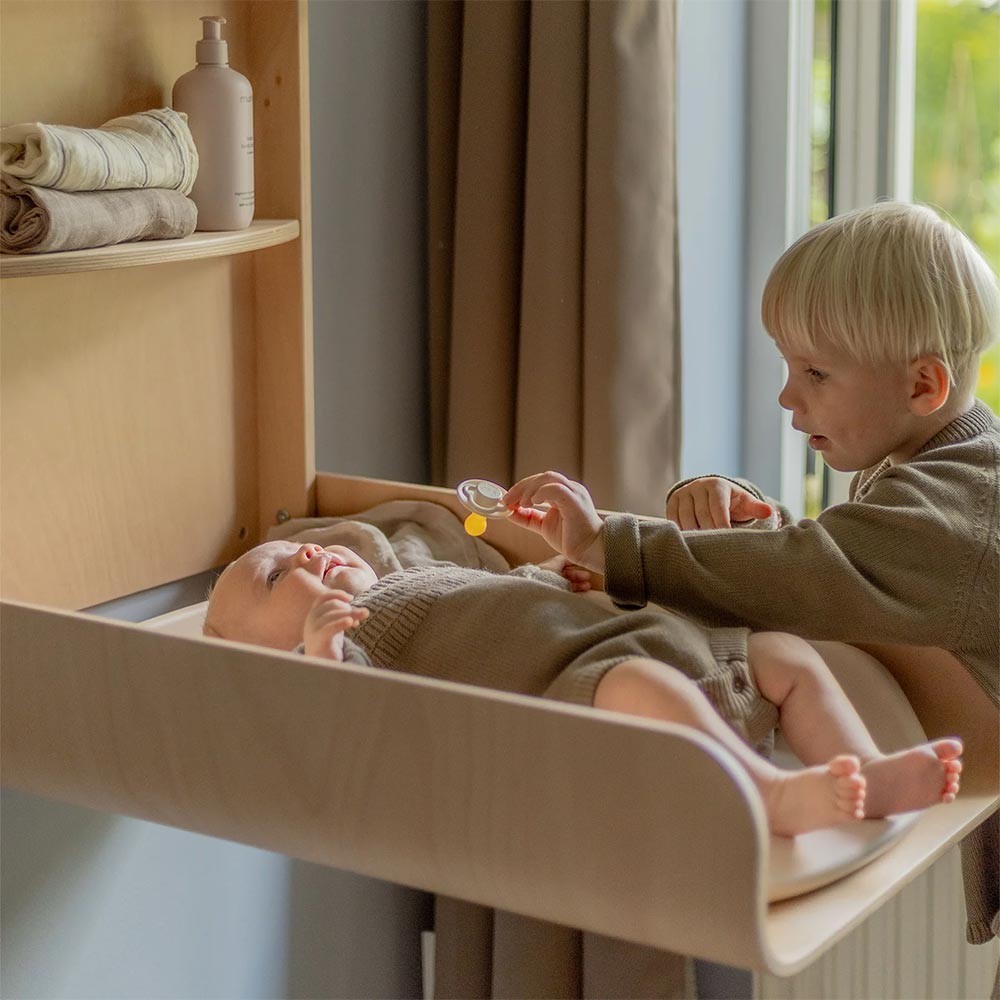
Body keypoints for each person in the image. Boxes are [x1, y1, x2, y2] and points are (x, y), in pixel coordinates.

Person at [503, 200, 998, 939]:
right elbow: (853, 566)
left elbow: (819, 573)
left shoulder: (962, 502)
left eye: (816, 373)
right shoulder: (934, 466)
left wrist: (613, 545)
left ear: (921, 386)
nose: (788, 398)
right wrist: (757, 522)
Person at [204, 537, 962, 839]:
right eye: (274, 575)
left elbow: (500, 593)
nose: (304, 550)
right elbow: (356, 721)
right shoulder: (356, 646)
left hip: (669, 644)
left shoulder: (416, 574)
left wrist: (552, 575)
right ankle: (770, 794)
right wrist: (321, 654)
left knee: (788, 656)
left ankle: (863, 770)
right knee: (640, 685)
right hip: (590, 684)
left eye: (307, 542)